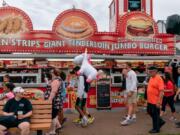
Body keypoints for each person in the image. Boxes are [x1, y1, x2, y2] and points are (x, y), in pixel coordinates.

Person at [147, 66, 165, 133]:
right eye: (149, 71)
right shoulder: (151, 78)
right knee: (149, 111)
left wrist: (159, 102)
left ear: (155, 71)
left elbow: (161, 91)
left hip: (155, 101)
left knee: (155, 115)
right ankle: (160, 121)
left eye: (151, 72)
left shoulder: (159, 78)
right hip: (150, 100)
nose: (150, 73)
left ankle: (156, 129)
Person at [44, 68, 63, 135]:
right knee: (54, 115)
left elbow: (53, 92)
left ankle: (52, 131)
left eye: (50, 72)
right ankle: (58, 126)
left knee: (53, 116)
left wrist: (49, 100)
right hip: (55, 100)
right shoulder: (55, 79)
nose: (49, 73)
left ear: (53, 73)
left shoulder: (56, 81)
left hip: (54, 101)